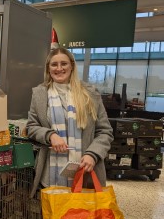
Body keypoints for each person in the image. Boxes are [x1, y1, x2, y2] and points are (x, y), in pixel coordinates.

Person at [26, 47, 113, 198]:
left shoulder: (90, 93)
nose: (59, 68)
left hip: (85, 172)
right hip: (50, 175)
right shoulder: (40, 94)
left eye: (64, 64)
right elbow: (31, 127)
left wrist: (93, 154)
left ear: (72, 66)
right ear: (48, 68)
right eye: (54, 64)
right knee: (53, 218)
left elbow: (105, 131)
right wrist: (50, 135)